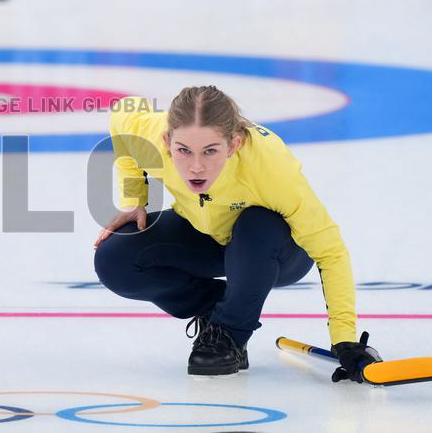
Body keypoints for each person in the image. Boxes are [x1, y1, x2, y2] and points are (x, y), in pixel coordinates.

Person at [93, 86, 379, 381]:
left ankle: (230, 332)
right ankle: (221, 312)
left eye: (211, 151)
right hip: (207, 234)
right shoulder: (153, 137)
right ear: (166, 142)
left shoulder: (270, 168)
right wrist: (135, 198)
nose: (196, 167)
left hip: (277, 251)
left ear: (234, 145)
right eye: (183, 151)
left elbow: (330, 251)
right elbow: (122, 114)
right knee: (115, 259)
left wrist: (344, 338)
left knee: (257, 222)